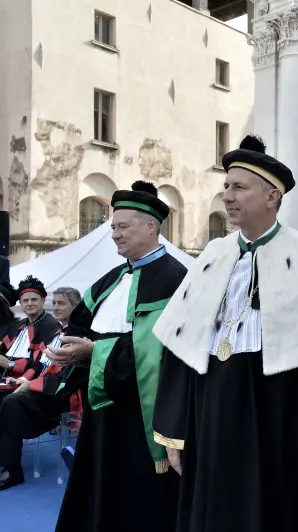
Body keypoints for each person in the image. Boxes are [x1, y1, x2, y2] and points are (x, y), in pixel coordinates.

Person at [151, 135, 298, 532]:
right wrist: (173, 429)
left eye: (239, 187)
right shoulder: (212, 255)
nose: (228, 195)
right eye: (226, 186)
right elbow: (180, 347)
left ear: (272, 196)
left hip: (278, 414)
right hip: (211, 412)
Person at [49, 181, 187, 532]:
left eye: (122, 226)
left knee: (139, 502)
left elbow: (161, 351)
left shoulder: (176, 279)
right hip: (104, 408)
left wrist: (94, 352)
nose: (114, 235)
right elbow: (79, 327)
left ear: (151, 226)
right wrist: (70, 351)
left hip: (142, 413)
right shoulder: (110, 279)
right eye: (113, 227)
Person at [0, 286, 81, 491]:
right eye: (54, 303)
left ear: (76, 306)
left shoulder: (80, 335)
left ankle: (13, 470)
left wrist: (29, 383)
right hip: (41, 387)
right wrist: (23, 381)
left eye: (61, 303)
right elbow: (38, 364)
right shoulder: (58, 331)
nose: (55, 307)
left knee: (11, 402)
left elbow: (67, 378)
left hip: (59, 397)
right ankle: (6, 457)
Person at [0, 275, 61, 399]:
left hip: (27, 384)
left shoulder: (50, 325)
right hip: (6, 380)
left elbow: (41, 363)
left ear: (43, 301)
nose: (29, 304)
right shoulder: (19, 324)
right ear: (21, 304)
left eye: (34, 299)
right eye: (25, 301)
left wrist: (11, 365)